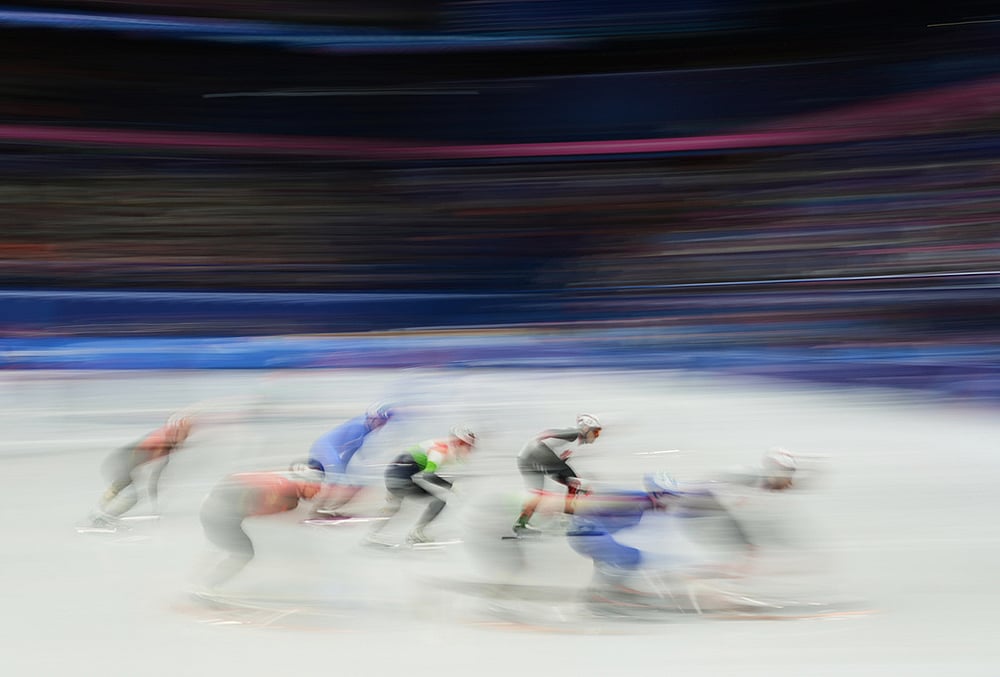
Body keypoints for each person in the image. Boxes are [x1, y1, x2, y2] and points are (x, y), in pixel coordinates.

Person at [198, 465, 323, 590]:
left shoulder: (290, 499)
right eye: (317, 488)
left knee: (232, 548)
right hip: (219, 515)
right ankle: (204, 586)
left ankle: (201, 581)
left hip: (221, 514)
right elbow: (234, 480)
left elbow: (234, 479)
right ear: (306, 483)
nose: (318, 493)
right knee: (243, 553)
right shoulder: (282, 487)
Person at [367, 425, 477, 545]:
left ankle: (371, 535)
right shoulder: (441, 450)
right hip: (398, 476)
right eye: (468, 446)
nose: (470, 450)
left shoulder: (444, 446)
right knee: (437, 502)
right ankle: (416, 534)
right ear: (459, 443)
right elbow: (428, 476)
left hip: (395, 473)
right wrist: (451, 487)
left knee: (394, 507)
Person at [83, 413, 195, 531]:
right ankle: (103, 517)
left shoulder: (168, 446)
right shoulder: (161, 440)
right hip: (122, 461)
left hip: (124, 461)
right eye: (185, 436)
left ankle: (99, 514)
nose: (185, 441)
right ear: (178, 433)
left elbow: (156, 475)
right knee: (131, 497)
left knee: (118, 490)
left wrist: (154, 500)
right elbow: (137, 454)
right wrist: (135, 474)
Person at [511, 413, 602, 537]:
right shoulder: (574, 433)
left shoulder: (573, 442)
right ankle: (572, 522)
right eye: (595, 432)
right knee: (577, 484)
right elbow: (549, 433)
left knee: (537, 493)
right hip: (538, 453)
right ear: (585, 429)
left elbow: (560, 468)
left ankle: (521, 524)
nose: (596, 436)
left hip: (526, 457)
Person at [300, 401, 394, 520]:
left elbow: (350, 451)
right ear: (373, 418)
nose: (382, 425)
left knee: (345, 481)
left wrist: (344, 471)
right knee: (337, 481)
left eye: (385, 423)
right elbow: (346, 451)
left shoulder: (366, 426)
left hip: (328, 450)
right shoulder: (359, 427)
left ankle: (325, 507)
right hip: (326, 449)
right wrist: (340, 473)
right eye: (381, 422)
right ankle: (316, 512)